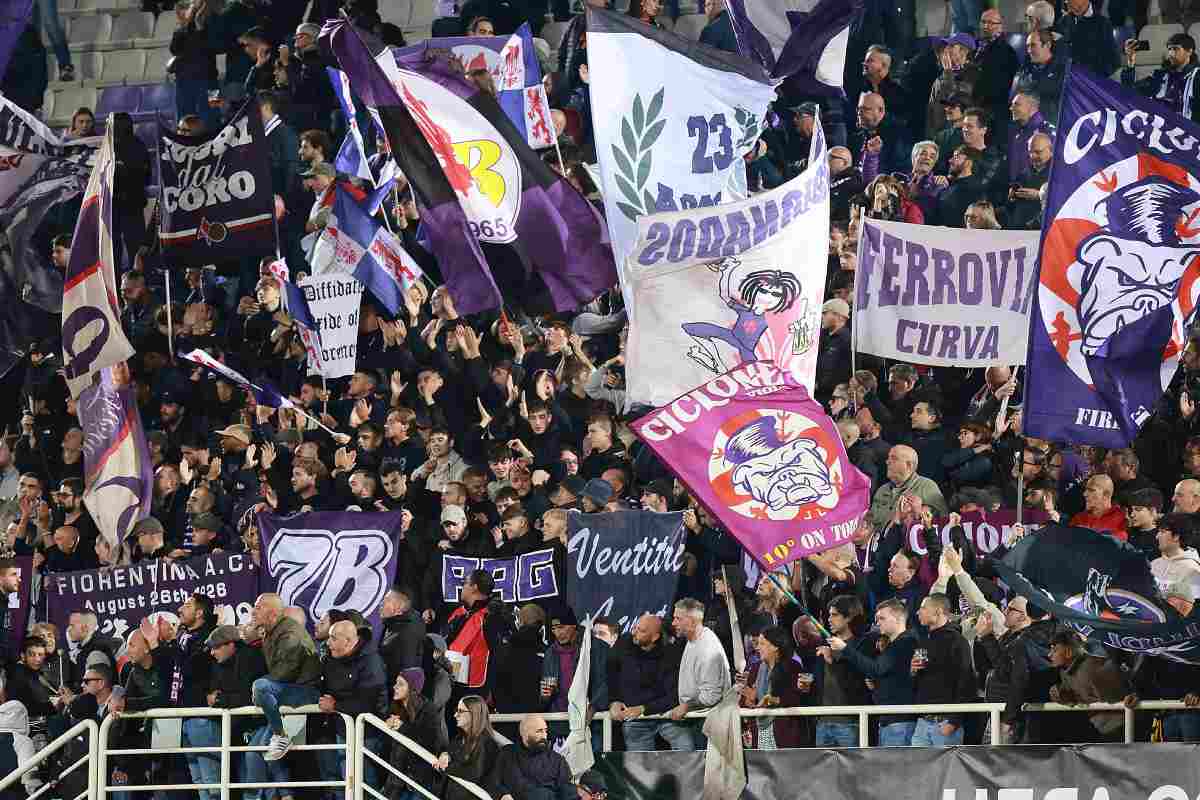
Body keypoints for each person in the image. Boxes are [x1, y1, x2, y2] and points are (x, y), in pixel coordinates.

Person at [830, 598, 919, 746]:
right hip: (891, 720)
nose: (877, 623)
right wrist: (877, 685)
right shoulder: (895, 644)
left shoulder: (905, 642)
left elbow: (876, 669)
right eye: (877, 619)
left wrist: (845, 648)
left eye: (882, 618)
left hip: (899, 722)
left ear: (897, 619)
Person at [248, 593, 321, 761]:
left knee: (261, 686)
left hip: (306, 691)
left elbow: (286, 670)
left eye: (259, 607)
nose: (253, 611)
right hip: (290, 688)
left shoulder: (290, 631)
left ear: (273, 614)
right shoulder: (270, 631)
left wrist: (260, 692)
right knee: (261, 759)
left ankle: (280, 735)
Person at [608, 613, 690, 751]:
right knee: (638, 768)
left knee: (687, 748)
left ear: (655, 637)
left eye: (642, 631)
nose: (634, 633)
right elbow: (610, 675)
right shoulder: (623, 644)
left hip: (666, 715)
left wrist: (643, 708)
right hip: (635, 720)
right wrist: (614, 700)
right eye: (635, 628)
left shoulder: (671, 654)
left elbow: (675, 695)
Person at [910, 594, 974, 746]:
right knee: (918, 769)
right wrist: (913, 671)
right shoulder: (924, 640)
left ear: (938, 612)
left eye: (923, 608)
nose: (918, 612)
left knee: (947, 770)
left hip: (945, 723)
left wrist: (953, 721)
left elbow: (966, 682)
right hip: (922, 722)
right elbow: (918, 682)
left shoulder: (957, 641)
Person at [668, 598, 731, 748]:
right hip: (698, 719)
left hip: (707, 723)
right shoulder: (692, 640)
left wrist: (686, 706)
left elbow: (711, 696)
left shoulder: (707, 648)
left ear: (692, 621)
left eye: (678, 618)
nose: (673, 623)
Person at [493, 714, 575, 800]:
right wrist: (503, 794)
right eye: (539, 731)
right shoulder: (507, 754)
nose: (544, 736)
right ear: (524, 733)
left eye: (545, 731)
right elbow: (493, 782)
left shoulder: (557, 760)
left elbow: (568, 793)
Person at [436, 695, 502, 800]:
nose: (455, 715)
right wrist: (445, 754)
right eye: (456, 710)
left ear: (474, 714)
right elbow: (449, 752)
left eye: (460, 711)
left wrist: (446, 767)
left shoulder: (488, 744)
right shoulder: (459, 737)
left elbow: (473, 774)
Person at [1122, 33, 1200, 120]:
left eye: (1176, 49)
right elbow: (1129, 91)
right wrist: (1130, 61)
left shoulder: (1197, 76)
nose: (1171, 53)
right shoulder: (1160, 75)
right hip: (1162, 129)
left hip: (1189, 130)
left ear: (1189, 51)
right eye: (1169, 49)